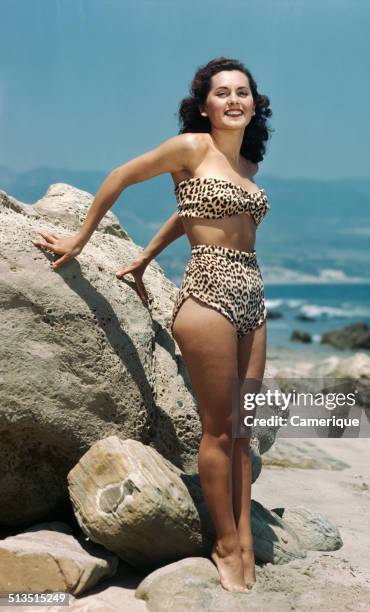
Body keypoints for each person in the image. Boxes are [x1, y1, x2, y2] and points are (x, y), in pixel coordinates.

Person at [31, 56, 273, 593]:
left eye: (243, 92)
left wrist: (143, 257)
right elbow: (122, 175)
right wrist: (79, 239)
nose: (234, 100)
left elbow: (190, 210)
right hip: (207, 294)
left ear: (254, 104)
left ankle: (247, 541)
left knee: (242, 428)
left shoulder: (248, 168)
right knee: (217, 428)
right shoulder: (190, 147)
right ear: (204, 105)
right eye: (222, 93)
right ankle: (226, 543)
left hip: (253, 296)